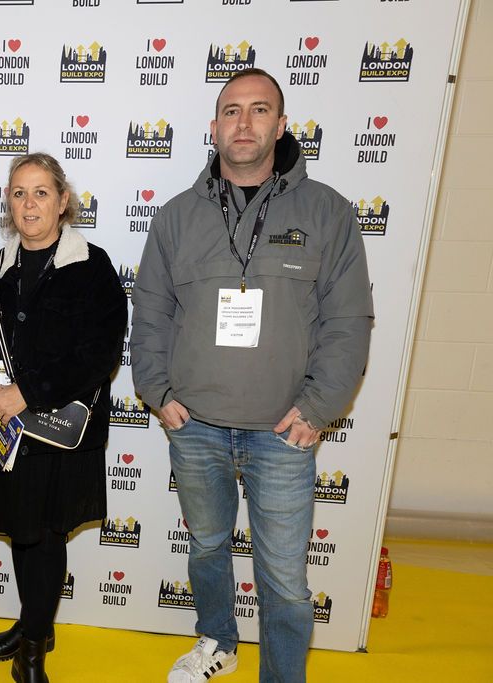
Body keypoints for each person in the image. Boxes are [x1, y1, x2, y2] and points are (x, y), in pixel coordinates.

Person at [131, 68, 374, 683]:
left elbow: (349, 320)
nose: (244, 123)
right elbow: (151, 312)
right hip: (195, 426)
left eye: (259, 109)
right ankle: (218, 641)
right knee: (208, 548)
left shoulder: (328, 212)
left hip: (283, 430)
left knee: (285, 579)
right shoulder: (176, 217)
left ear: (281, 125)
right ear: (213, 127)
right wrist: (156, 391)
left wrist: (319, 408)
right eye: (231, 111)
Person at [0, 153, 127, 683]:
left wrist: (25, 393)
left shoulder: (92, 267)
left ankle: (31, 650)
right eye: (19, 193)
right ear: (8, 201)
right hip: (2, 431)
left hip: (59, 433)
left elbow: (99, 353)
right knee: (21, 532)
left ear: (63, 201)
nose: (29, 204)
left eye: (41, 192)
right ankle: (35, 624)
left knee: (46, 536)